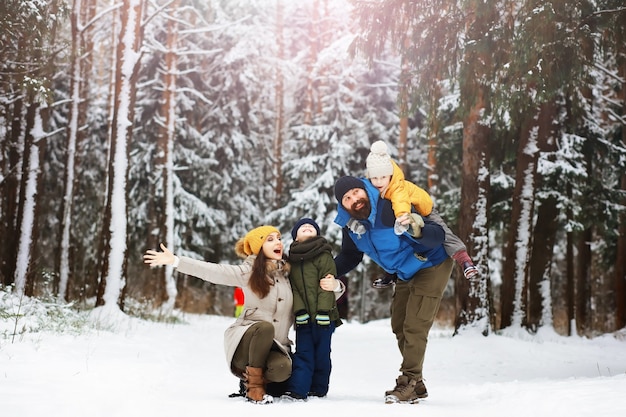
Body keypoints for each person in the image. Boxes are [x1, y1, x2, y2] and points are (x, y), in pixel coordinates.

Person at [143, 225, 344, 404]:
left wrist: (336, 286)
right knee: (263, 327)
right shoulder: (247, 272)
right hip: (247, 344)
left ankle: (256, 382)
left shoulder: (287, 274)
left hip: (276, 346)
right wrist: (177, 261)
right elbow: (214, 271)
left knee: (283, 370)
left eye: (279, 238)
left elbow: (313, 289)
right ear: (259, 247)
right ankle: (254, 386)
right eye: (270, 239)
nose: (278, 243)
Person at [333, 175, 454, 404]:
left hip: (431, 263)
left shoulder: (390, 204)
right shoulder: (352, 226)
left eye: (356, 192)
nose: (354, 199)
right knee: (399, 324)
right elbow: (350, 256)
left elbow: (437, 234)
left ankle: (408, 381)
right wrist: (325, 270)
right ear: (343, 205)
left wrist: (416, 231)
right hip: (405, 271)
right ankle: (417, 384)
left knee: (415, 325)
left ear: (366, 190)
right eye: (347, 198)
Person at [365, 140, 479, 288]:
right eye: (375, 178)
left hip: (423, 211)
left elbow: (401, 202)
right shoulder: (375, 189)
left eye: (383, 177)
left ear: (391, 176)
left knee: (444, 232)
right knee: (390, 242)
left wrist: (402, 216)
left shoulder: (397, 187)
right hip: (405, 215)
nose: (379, 181)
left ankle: (464, 260)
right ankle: (391, 273)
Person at [281, 218, 342, 401]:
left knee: (322, 354)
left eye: (311, 227)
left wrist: (323, 312)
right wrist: (300, 311)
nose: (307, 227)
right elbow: (294, 289)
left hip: (325, 317)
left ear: (318, 234)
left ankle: (318, 388)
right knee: (303, 353)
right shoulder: (291, 259)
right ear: (295, 237)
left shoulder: (324, 255)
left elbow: (326, 285)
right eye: (302, 227)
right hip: (303, 319)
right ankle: (298, 390)